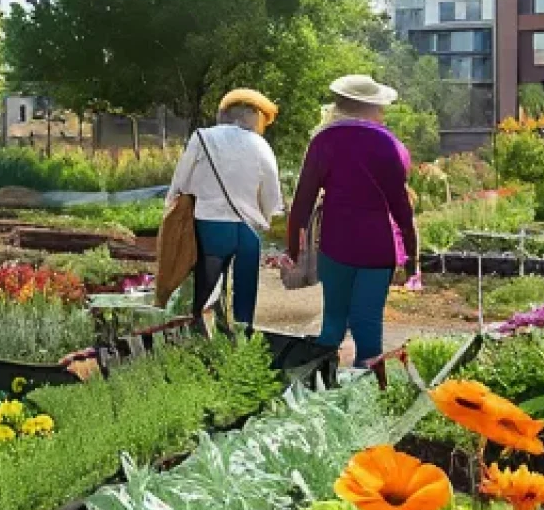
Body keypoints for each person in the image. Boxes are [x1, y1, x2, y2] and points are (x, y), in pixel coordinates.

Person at [287, 75, 417, 369]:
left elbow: (303, 199)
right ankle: (365, 394)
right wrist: (411, 254)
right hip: (376, 245)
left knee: (333, 320)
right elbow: (400, 204)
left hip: (336, 243)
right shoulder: (386, 142)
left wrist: (293, 248)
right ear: (371, 107)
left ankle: (318, 384)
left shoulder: (323, 139)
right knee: (367, 323)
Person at [167, 89, 283, 330]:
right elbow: (272, 197)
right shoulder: (261, 145)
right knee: (244, 303)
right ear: (253, 116)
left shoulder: (202, 138)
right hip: (247, 233)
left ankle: (203, 345)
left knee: (205, 297)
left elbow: (180, 184)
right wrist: (266, 219)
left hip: (210, 228)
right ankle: (241, 346)